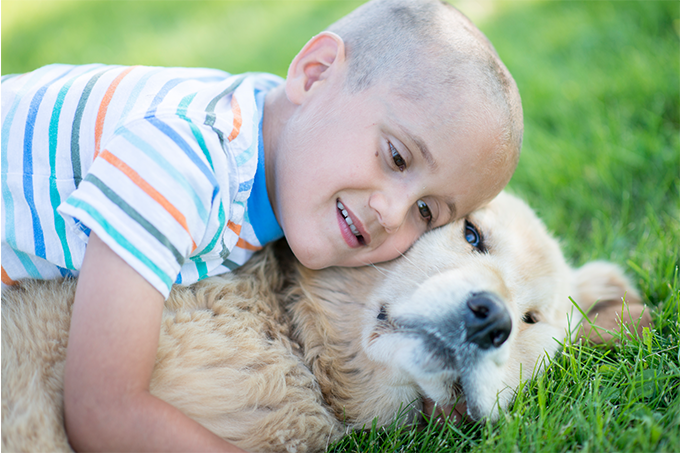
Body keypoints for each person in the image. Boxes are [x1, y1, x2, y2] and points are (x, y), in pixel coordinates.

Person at [1, 0, 523, 450]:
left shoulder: (281, 130)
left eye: (427, 213)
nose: (392, 213)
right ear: (315, 74)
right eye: (396, 157)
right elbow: (102, 413)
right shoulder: (183, 166)